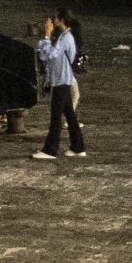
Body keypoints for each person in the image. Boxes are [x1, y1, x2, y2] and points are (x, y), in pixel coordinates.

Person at [32, 12, 86, 161]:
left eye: (55, 18)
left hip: (62, 80)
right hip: (62, 79)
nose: (52, 20)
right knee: (70, 114)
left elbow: (51, 55)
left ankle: (50, 150)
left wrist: (47, 35)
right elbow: (45, 56)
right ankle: (78, 147)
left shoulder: (66, 38)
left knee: (56, 116)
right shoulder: (64, 36)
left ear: (61, 20)